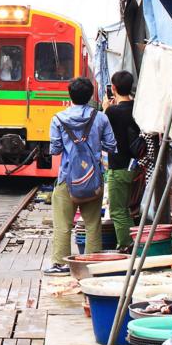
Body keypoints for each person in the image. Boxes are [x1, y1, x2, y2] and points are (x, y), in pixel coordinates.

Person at [45, 78, 117, 275]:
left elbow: (55, 149)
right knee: (93, 223)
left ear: (70, 95)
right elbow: (111, 146)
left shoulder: (58, 119)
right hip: (93, 179)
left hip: (67, 178)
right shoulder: (101, 118)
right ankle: (92, 263)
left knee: (63, 224)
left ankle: (60, 264)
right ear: (89, 96)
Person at [102, 71, 139, 252]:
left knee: (117, 210)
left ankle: (125, 245)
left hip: (118, 167)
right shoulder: (137, 108)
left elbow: (100, 130)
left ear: (113, 88)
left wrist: (104, 109)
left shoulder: (112, 111)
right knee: (126, 209)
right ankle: (134, 241)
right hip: (135, 166)